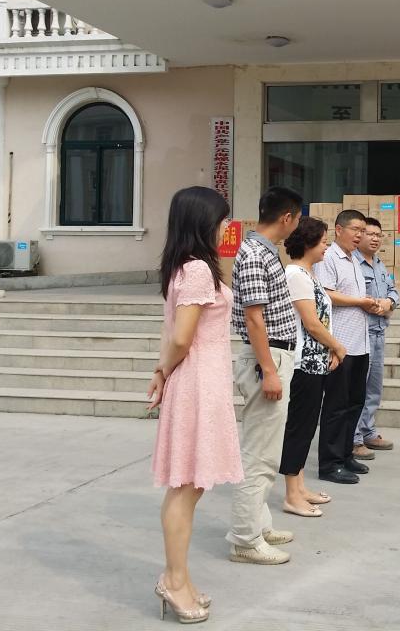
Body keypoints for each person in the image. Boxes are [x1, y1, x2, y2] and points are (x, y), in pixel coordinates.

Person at [148, 186, 243, 623]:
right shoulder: (198, 270)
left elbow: (172, 332)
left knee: (190, 485)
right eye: (221, 220)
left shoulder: (184, 267)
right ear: (204, 222)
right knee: (186, 486)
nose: (226, 227)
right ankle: (173, 580)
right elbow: (182, 337)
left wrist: (160, 370)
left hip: (199, 380)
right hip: (198, 383)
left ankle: (179, 578)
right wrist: (165, 370)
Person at [226, 186, 302, 566]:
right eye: (297, 219)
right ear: (287, 217)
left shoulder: (263, 251)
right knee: (259, 455)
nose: (296, 226)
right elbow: (255, 318)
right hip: (266, 359)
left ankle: (259, 524)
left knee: (266, 451)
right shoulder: (256, 254)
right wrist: (269, 371)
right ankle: (245, 538)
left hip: (272, 356)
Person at [280, 217, 346, 518]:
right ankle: (292, 495)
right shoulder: (295, 275)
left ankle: (300, 487)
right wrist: (337, 346)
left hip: (315, 362)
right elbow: (311, 323)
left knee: (306, 427)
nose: (326, 247)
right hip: (302, 364)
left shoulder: (308, 275)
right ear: (307, 243)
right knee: (299, 428)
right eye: (322, 242)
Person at [315, 209, 381, 484]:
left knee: (355, 402)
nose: (360, 235)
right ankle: (330, 463)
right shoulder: (328, 258)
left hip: (360, 343)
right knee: (336, 406)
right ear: (339, 230)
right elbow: (326, 295)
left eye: (362, 231)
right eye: (355, 229)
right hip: (340, 344)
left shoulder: (354, 259)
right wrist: (360, 302)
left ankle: (345, 455)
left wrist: (369, 303)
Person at [353, 217, 399, 461]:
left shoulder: (380, 265)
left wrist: (389, 302)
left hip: (380, 333)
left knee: (374, 388)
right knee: (357, 388)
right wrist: (374, 304)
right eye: (370, 234)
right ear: (359, 235)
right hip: (361, 333)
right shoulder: (353, 264)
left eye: (378, 235)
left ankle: (368, 431)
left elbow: (393, 291)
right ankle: (354, 439)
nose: (375, 238)